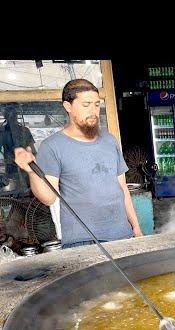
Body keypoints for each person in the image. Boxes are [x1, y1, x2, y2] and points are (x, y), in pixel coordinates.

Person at [14, 79, 143, 249]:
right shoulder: (52, 146)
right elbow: (48, 197)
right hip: (83, 242)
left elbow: (122, 188)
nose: (93, 111)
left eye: (97, 105)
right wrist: (31, 172)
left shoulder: (110, 141)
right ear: (68, 106)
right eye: (86, 105)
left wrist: (136, 227)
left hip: (123, 234)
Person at [1, 104, 36, 196]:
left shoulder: (25, 131)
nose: (11, 117)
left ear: (16, 116)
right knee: (14, 194)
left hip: (26, 168)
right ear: (5, 117)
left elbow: (33, 151)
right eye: (9, 115)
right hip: (11, 169)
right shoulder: (2, 132)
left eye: (13, 115)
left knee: (27, 194)